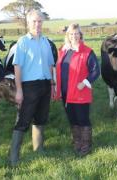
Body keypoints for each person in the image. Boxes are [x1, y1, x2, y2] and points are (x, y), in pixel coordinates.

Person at [9, 9, 55, 166]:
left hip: (45, 85)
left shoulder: (46, 42)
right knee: (24, 119)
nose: (37, 24)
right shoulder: (22, 42)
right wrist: (19, 90)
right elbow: (17, 67)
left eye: (40, 21)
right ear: (28, 23)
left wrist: (52, 84)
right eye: (34, 21)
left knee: (41, 117)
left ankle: (38, 149)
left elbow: (50, 64)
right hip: (29, 86)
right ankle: (13, 157)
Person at [55, 23, 100, 156]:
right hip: (65, 92)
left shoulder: (87, 52)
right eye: (71, 34)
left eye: (76, 33)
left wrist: (85, 82)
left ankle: (86, 145)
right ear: (68, 36)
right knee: (72, 118)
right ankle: (77, 142)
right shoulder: (64, 50)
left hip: (80, 92)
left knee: (82, 119)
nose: (74, 36)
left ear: (80, 35)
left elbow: (96, 71)